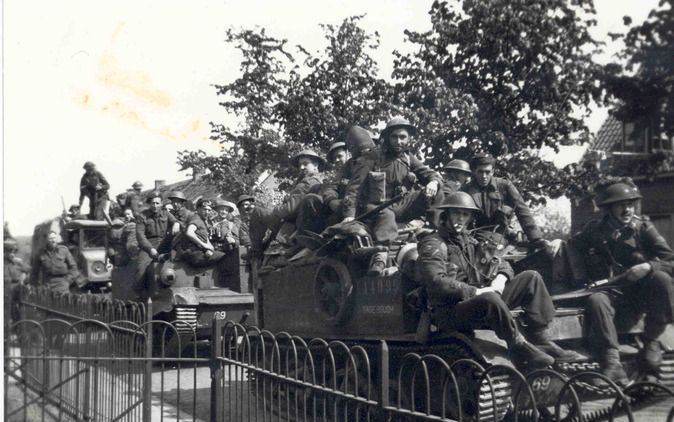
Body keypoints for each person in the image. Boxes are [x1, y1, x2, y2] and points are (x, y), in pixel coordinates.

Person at [415, 192, 580, 367]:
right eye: (456, 213)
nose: (460, 218)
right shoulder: (433, 243)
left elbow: (499, 262)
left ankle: (541, 339)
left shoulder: (471, 242)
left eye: (465, 214)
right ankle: (517, 344)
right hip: (449, 312)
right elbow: (435, 281)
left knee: (531, 277)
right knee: (490, 298)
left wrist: (500, 278)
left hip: (479, 304)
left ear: (470, 217)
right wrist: (476, 291)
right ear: (446, 215)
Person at [569, 180, 674, 385]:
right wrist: (559, 245)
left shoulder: (643, 228)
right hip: (611, 292)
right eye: (621, 205)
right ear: (609, 208)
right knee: (596, 300)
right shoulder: (595, 230)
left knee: (662, 278)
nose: (627, 209)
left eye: (630, 204)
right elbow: (572, 246)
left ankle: (652, 340)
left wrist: (649, 267)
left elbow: (670, 260)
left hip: (639, 295)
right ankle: (612, 360)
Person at [340, 117, 442, 275]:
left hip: (402, 205)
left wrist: (434, 182)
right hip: (376, 208)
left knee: (437, 192)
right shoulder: (371, 158)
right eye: (394, 137)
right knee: (387, 214)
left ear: (409, 139)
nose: (399, 141)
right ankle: (381, 254)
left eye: (403, 137)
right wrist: (349, 216)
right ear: (387, 137)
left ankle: (436, 234)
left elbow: (430, 174)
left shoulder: (408, 158)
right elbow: (353, 189)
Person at [296, 126, 376, 235]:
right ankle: (305, 240)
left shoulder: (374, 161)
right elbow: (331, 187)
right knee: (310, 200)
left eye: (339, 156)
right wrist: (331, 200)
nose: (337, 160)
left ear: (348, 152)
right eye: (335, 159)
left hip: (363, 208)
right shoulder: (347, 167)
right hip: (345, 206)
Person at [249, 149, 325, 254]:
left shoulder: (307, 182)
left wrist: (275, 209)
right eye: (300, 165)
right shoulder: (318, 181)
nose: (301, 168)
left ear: (315, 165)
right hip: (298, 222)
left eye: (305, 164)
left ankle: (255, 252)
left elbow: (289, 210)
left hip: (291, 223)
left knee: (257, 212)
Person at [135, 192, 179, 287]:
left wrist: (176, 224)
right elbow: (140, 235)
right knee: (141, 268)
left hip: (165, 244)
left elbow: (175, 221)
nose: (155, 206)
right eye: (153, 203)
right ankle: (140, 292)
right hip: (148, 246)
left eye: (157, 203)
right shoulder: (142, 216)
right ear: (149, 204)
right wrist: (150, 249)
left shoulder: (166, 214)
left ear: (161, 203)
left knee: (176, 263)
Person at [176, 198, 226, 267]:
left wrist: (209, 246)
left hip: (199, 252)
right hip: (194, 254)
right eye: (205, 209)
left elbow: (203, 236)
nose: (207, 212)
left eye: (209, 210)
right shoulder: (196, 218)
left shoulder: (203, 221)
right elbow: (189, 232)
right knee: (225, 257)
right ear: (198, 209)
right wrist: (204, 245)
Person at [428, 159, 472, 228]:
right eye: (464, 174)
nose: (466, 177)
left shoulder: (464, 188)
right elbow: (438, 210)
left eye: (466, 174)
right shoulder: (449, 187)